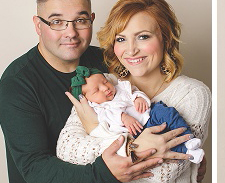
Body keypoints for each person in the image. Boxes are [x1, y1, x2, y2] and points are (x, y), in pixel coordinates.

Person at [0, 0, 190, 183]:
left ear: (92, 20)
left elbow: (148, 110)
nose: (71, 33)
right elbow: (34, 167)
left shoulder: (111, 62)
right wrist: (111, 168)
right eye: (57, 22)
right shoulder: (19, 83)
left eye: (80, 20)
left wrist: (190, 154)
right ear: (38, 25)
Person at [58, 0, 212, 183]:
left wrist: (94, 130)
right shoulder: (101, 84)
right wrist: (133, 148)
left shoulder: (192, 94)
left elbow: (163, 173)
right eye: (121, 39)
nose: (131, 50)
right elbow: (67, 149)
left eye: (143, 37)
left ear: (165, 37)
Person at [67, 65, 204, 163]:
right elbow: (107, 119)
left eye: (104, 82)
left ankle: (189, 139)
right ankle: (188, 151)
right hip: (137, 132)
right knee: (160, 145)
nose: (105, 88)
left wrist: (138, 98)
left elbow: (134, 91)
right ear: (87, 100)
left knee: (168, 113)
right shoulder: (97, 109)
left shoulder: (120, 87)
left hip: (149, 114)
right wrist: (123, 117)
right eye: (96, 90)